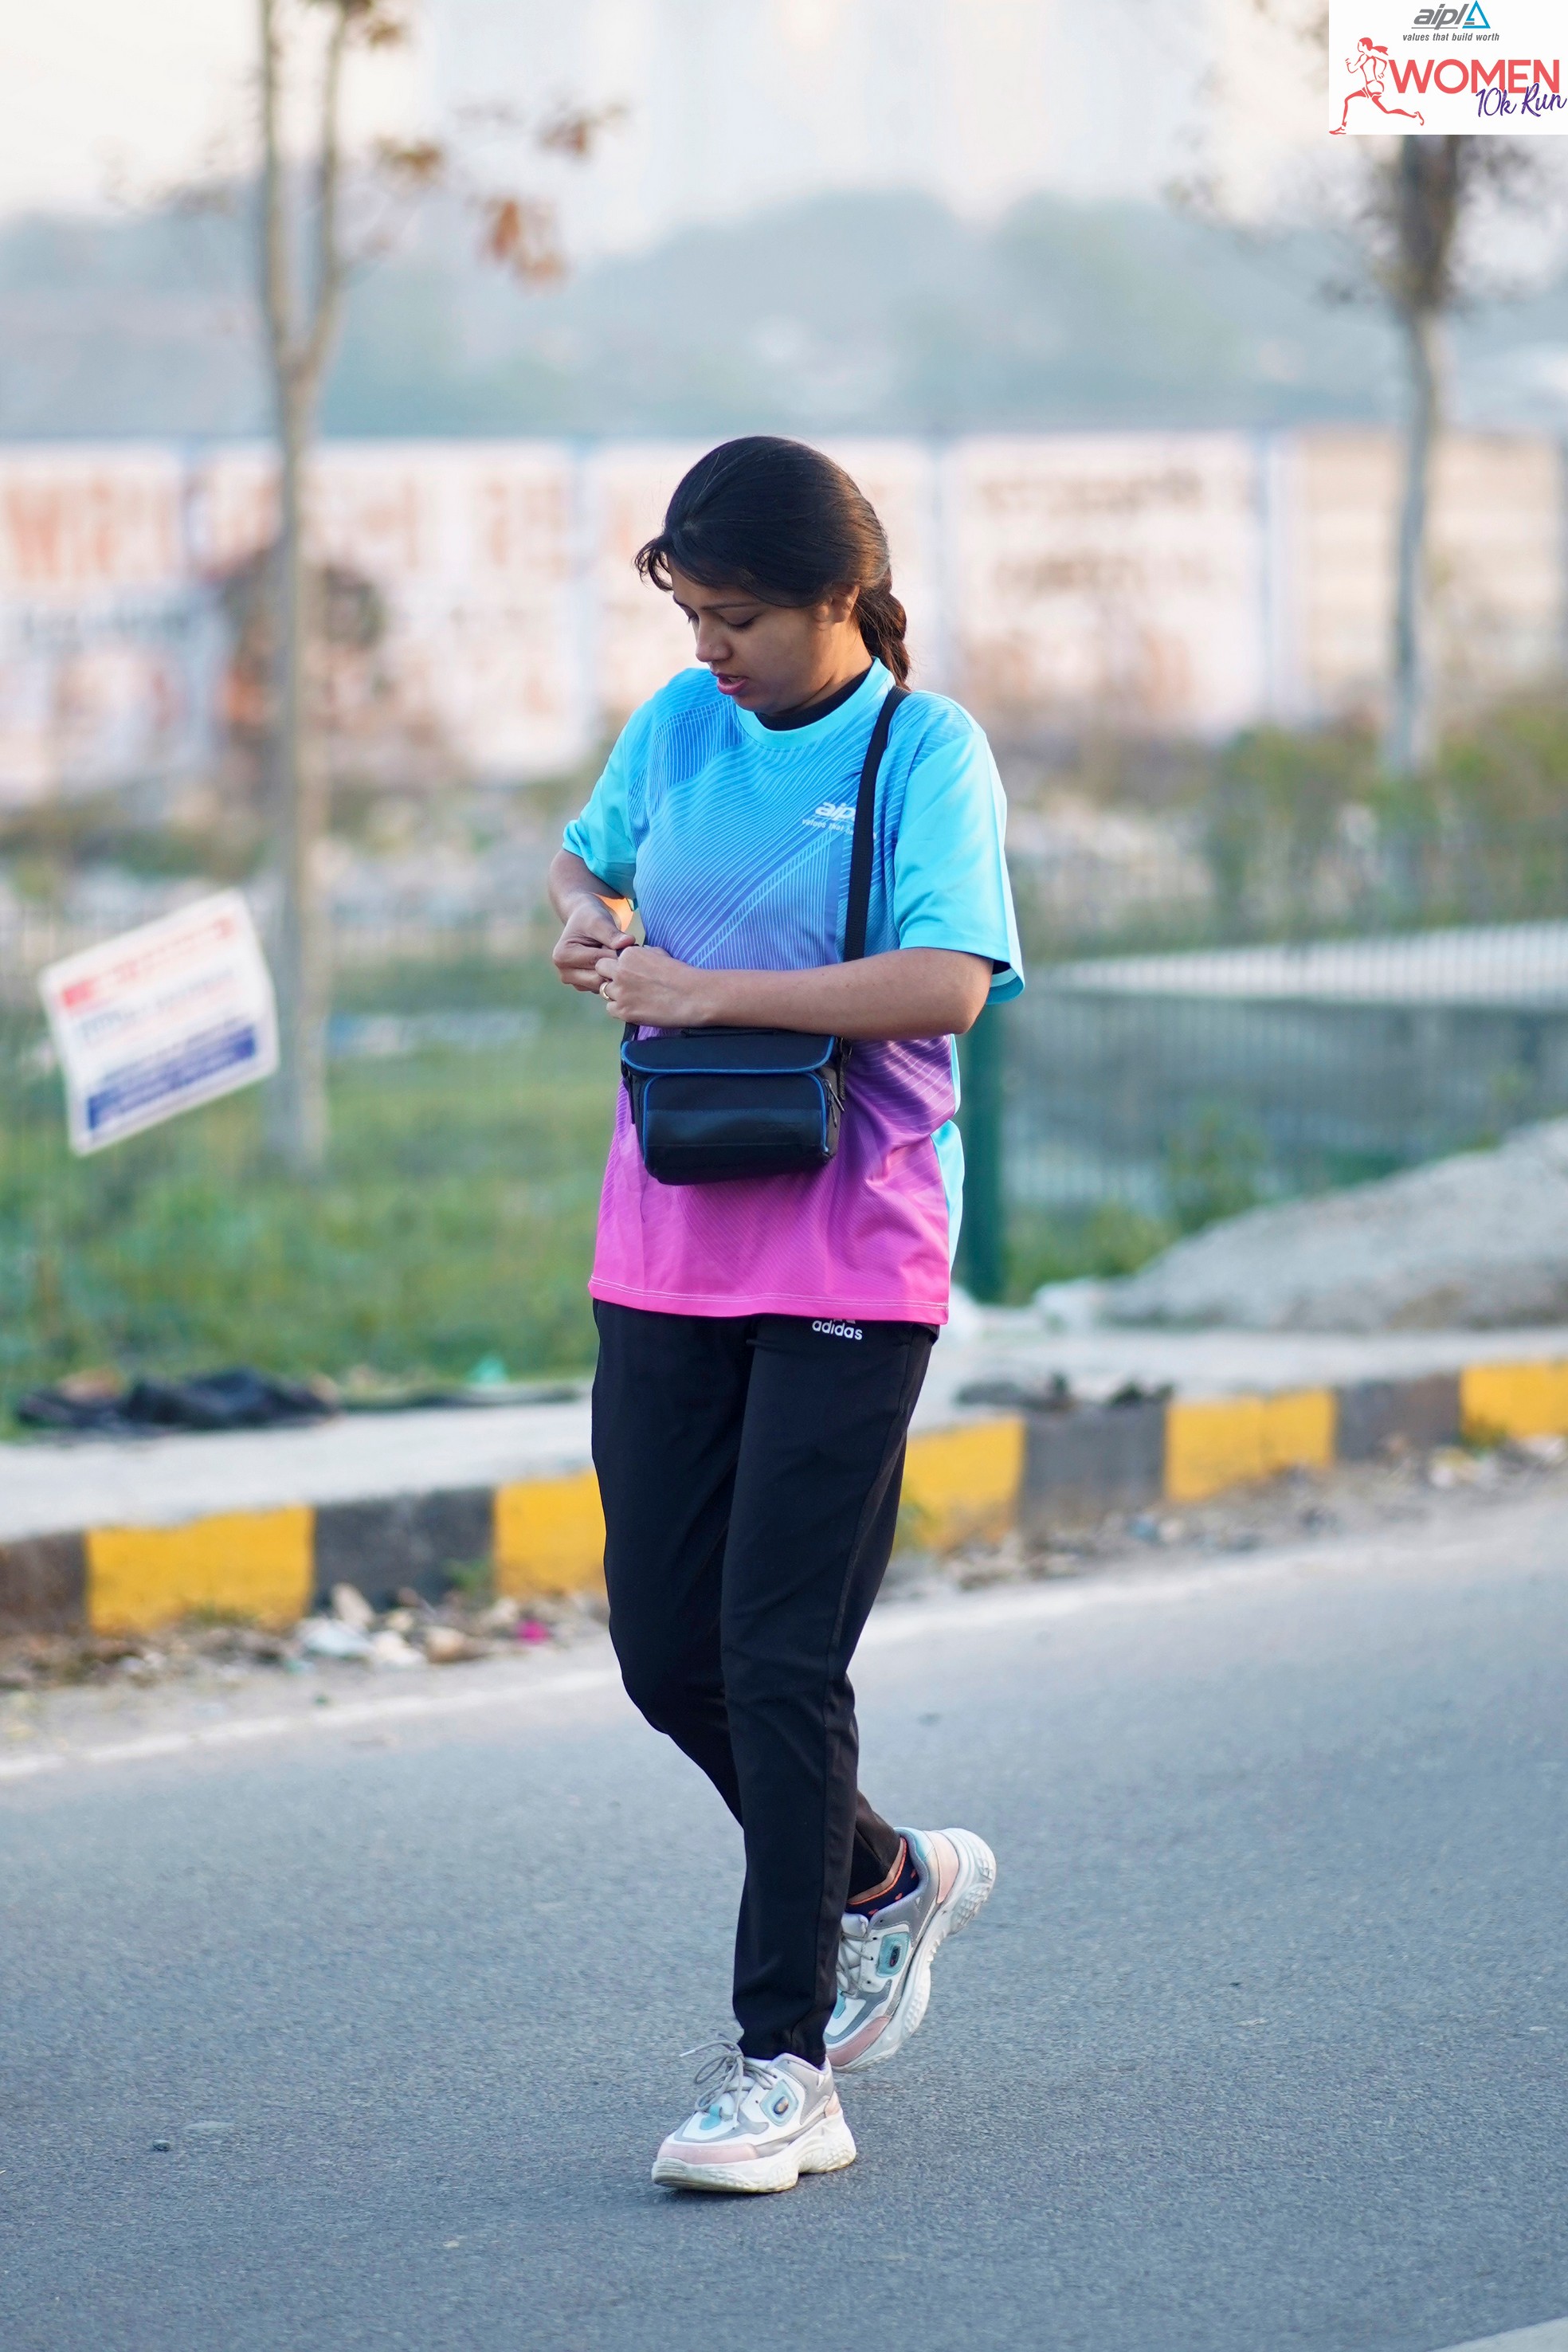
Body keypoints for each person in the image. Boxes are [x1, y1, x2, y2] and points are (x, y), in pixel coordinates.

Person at [548, 436, 1023, 2194]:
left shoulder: (923, 750)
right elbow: (581, 862)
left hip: (852, 1250)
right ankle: (888, 1878)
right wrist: (590, 930)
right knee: (666, 1656)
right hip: (663, 1238)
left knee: (776, 1654)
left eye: (737, 617)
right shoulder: (681, 726)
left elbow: (949, 983)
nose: (710, 651)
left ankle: (784, 2070)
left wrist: (706, 992)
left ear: (839, 597)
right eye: (692, 616)